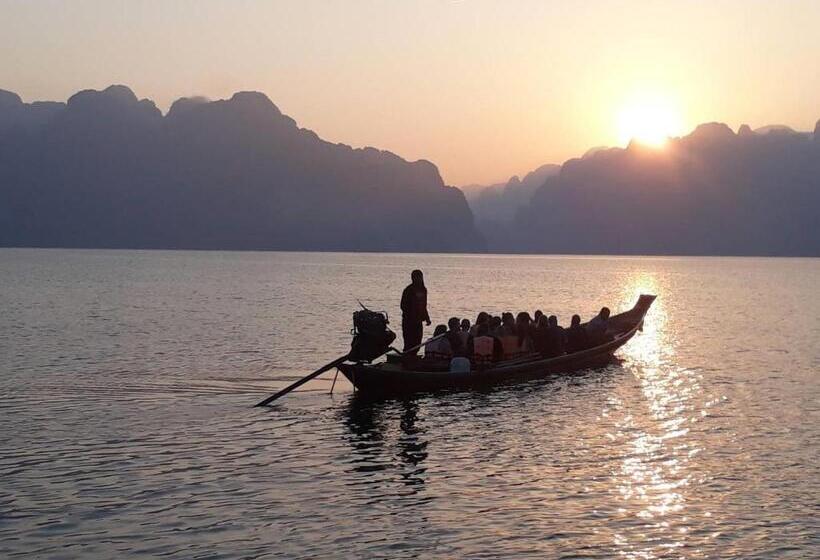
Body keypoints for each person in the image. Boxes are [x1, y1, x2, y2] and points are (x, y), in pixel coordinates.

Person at [400, 269, 431, 354]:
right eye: (416, 277)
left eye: (420, 277)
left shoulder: (423, 290)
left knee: (417, 341)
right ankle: (406, 357)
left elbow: (424, 306)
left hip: (418, 320)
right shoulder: (408, 290)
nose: (418, 279)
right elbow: (403, 305)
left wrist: (427, 318)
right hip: (408, 321)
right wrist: (411, 315)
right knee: (408, 342)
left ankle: (414, 356)